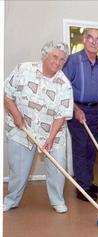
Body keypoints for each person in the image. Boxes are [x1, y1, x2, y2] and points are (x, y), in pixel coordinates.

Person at [3, 41, 73, 213]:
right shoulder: (23, 69)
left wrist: (49, 139)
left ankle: (57, 201)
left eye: (62, 60)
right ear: (45, 54)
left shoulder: (64, 84)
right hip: (21, 129)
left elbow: (62, 115)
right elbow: (7, 95)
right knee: (18, 170)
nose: (58, 62)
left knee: (57, 168)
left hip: (53, 134)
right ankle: (11, 200)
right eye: (55, 57)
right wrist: (17, 115)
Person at [63, 28, 98, 201]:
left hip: (95, 112)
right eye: (90, 37)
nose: (93, 41)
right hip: (77, 110)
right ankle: (82, 188)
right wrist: (75, 109)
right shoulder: (72, 61)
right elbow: (64, 88)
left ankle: (88, 183)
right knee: (81, 148)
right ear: (84, 40)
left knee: (92, 149)